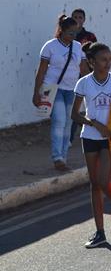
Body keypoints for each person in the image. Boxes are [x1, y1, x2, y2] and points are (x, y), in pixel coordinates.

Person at [71, 42, 111, 248]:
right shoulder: (83, 83)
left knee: (104, 181)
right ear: (92, 62)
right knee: (94, 185)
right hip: (90, 137)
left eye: (110, 59)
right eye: (104, 60)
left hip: (109, 139)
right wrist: (95, 123)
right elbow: (75, 114)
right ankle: (100, 232)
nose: (108, 63)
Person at [33, 15, 89, 171]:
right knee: (59, 121)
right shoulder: (50, 46)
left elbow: (83, 70)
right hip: (54, 89)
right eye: (70, 33)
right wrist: (36, 92)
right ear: (62, 30)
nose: (73, 36)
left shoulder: (78, 47)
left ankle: (63, 157)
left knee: (68, 124)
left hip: (71, 90)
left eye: (75, 33)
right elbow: (41, 70)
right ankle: (57, 157)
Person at [69, 8, 98, 144]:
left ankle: (87, 126)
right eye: (75, 17)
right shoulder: (68, 35)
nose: (77, 20)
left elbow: (95, 53)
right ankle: (70, 136)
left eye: (80, 17)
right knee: (74, 104)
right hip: (70, 74)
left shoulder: (90, 36)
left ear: (84, 19)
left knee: (86, 104)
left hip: (85, 73)